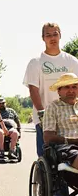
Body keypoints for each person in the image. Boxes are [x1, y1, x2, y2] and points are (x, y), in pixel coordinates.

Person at [23, 22, 78, 157]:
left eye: (55, 34)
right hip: (46, 116)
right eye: (48, 35)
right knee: (47, 156)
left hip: (70, 115)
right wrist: (42, 112)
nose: (52, 38)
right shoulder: (36, 62)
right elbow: (33, 89)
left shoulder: (71, 61)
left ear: (60, 36)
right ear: (43, 38)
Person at [43, 73, 78, 171]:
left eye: (74, 87)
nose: (71, 90)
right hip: (66, 147)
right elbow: (48, 138)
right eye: (67, 87)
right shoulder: (53, 107)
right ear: (59, 91)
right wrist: (73, 140)